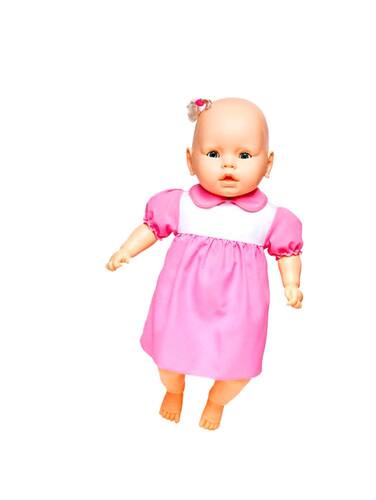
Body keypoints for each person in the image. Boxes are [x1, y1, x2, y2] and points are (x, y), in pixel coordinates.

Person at [106, 97, 303, 430]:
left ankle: (216, 400)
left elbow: (287, 253)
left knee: (238, 371)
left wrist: (292, 283)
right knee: (168, 361)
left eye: (244, 155)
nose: (228, 165)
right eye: (213, 154)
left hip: (239, 312)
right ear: (190, 160)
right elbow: (152, 228)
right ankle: (174, 389)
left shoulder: (271, 218)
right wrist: (127, 249)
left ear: (268, 164)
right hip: (181, 304)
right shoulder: (182, 205)